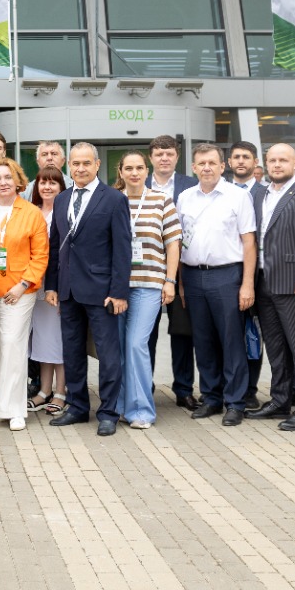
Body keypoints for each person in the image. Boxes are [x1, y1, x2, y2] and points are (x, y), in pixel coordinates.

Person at [44, 142, 132, 436]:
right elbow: (55, 246)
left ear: (97, 165)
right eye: (75, 163)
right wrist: (52, 286)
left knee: (108, 355)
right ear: (69, 166)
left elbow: (122, 249)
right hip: (68, 291)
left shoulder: (114, 199)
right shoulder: (62, 199)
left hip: (102, 291)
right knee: (72, 353)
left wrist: (119, 292)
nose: (80, 168)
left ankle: (108, 411)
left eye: (86, 163)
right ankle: (78, 408)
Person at [243, 144, 295, 432]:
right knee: (276, 348)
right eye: (272, 160)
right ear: (265, 164)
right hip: (264, 281)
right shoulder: (258, 194)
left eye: (283, 160)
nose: (277, 165)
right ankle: (280, 399)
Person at [176, 143, 256, 427]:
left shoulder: (238, 197)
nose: (207, 168)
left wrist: (247, 284)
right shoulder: (185, 197)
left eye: (212, 163)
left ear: (223, 166)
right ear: (194, 168)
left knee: (231, 341)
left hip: (227, 276)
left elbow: (249, 242)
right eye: (201, 163)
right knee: (204, 340)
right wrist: (182, 284)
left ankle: (235, 402)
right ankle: (211, 397)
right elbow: (180, 241)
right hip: (194, 276)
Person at [0, 158, 48, 430]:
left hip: (20, 291)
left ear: (18, 181)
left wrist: (23, 285)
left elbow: (41, 255)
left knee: (13, 346)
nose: (3, 182)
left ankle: (16, 409)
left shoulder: (32, 213)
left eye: (8, 177)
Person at [113, 151, 180, 430]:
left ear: (146, 169)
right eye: (128, 168)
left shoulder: (162, 200)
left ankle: (141, 410)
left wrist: (170, 281)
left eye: (139, 167)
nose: (134, 173)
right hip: (117, 286)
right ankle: (118, 405)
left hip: (149, 285)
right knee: (116, 348)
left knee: (136, 344)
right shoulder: (112, 199)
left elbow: (173, 243)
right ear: (120, 171)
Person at [146, 135, 198, 408]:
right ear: (151, 158)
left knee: (182, 332)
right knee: (146, 331)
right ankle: (146, 385)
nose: (164, 158)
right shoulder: (138, 184)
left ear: (177, 157)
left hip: (183, 270)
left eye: (169, 154)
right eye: (158, 154)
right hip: (146, 269)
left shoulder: (192, 186)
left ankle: (183, 388)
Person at [27, 165, 67, 415]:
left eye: (53, 182)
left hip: (58, 285)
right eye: (43, 182)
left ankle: (61, 391)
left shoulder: (66, 212)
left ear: (62, 187)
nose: (48, 187)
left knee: (58, 339)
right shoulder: (32, 213)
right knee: (42, 338)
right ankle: (44, 389)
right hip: (34, 286)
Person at [228, 141, 265, 407]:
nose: (241, 161)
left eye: (246, 157)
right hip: (227, 273)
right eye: (237, 157)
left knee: (254, 333)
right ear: (229, 163)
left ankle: (250, 389)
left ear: (255, 163)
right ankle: (228, 387)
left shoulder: (267, 193)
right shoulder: (221, 192)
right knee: (229, 333)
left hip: (262, 273)